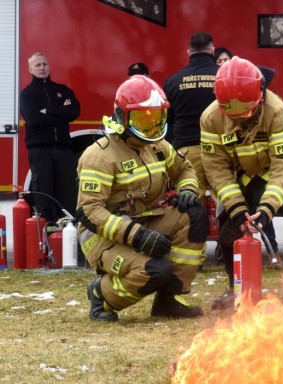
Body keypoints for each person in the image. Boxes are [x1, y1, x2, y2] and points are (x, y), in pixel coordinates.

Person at [76, 75, 207, 321]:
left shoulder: (156, 147)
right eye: (143, 119)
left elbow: (185, 169)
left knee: (194, 213)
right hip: (102, 236)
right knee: (156, 270)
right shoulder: (99, 156)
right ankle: (101, 295)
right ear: (122, 117)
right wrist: (138, 236)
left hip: (144, 220)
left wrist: (188, 191)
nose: (152, 126)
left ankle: (168, 301)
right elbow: (90, 211)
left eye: (156, 117)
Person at [200, 56, 283, 309]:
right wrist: (237, 208)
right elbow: (216, 168)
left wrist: (266, 210)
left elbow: (281, 166)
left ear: (261, 92)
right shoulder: (210, 118)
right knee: (227, 219)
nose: (241, 119)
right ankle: (235, 289)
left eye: (247, 111)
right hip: (241, 168)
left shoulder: (278, 111)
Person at [19, 52, 81, 222]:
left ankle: (69, 230)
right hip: (40, 151)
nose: (42, 68)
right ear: (30, 69)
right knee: (44, 195)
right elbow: (33, 119)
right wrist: (61, 112)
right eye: (37, 65)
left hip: (63, 150)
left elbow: (74, 111)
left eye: (44, 64)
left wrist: (49, 110)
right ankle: (48, 232)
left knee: (67, 193)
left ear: (49, 66)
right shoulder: (27, 94)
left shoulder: (62, 90)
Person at [163, 32, 218, 200]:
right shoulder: (225, 77)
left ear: (189, 52)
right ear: (213, 50)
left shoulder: (173, 81)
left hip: (187, 152)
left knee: (190, 201)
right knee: (226, 200)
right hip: (221, 151)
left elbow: (168, 121)